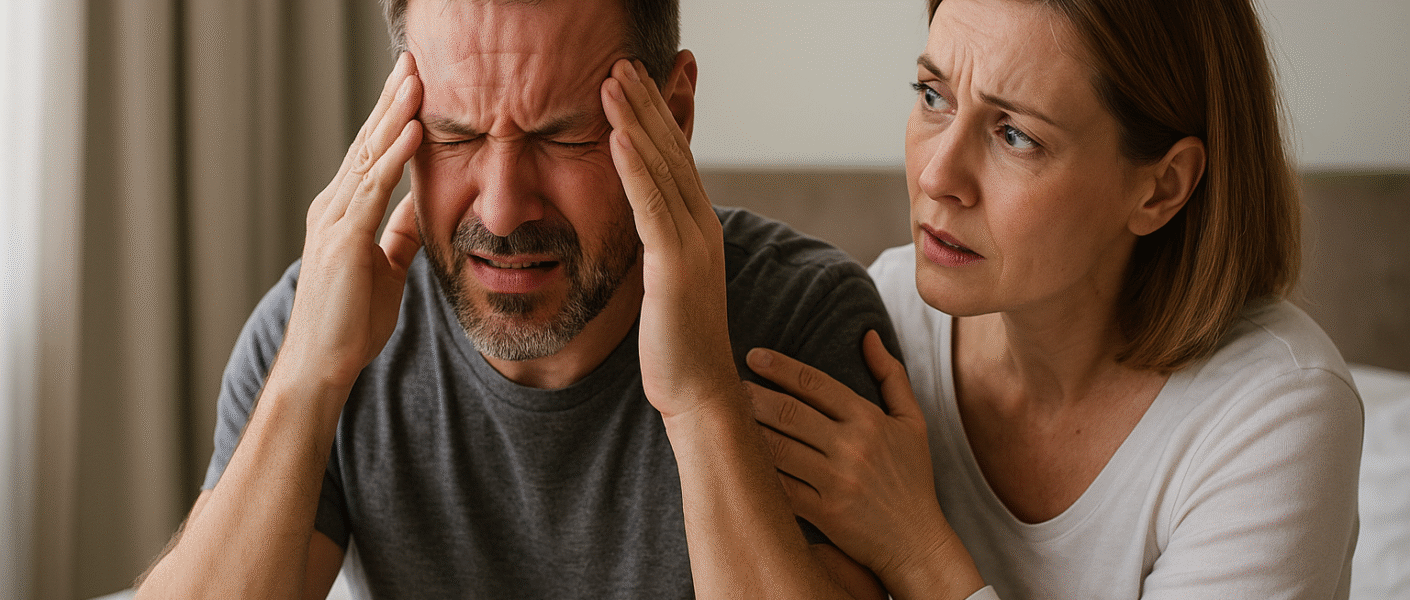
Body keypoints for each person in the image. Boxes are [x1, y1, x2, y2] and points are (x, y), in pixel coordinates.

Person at [133, 0, 897, 597]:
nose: (500, 212)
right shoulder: (320, 327)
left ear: (675, 115)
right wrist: (307, 380)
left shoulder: (806, 320)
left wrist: (701, 400)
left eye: (562, 138)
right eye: (455, 137)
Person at [743, 0, 1363, 598]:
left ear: (1161, 188)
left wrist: (916, 551)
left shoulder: (1275, 411)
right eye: (934, 96)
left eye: (1015, 136)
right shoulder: (882, 320)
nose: (937, 177)